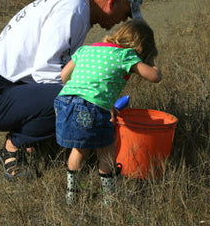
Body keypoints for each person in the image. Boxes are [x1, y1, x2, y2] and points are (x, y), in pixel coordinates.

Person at [0, 0, 146, 181]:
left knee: (78, 101)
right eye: (126, 13)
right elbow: (47, 71)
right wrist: (96, 102)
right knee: (77, 102)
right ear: (113, 2)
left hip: (9, 90)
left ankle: (33, 139)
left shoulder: (76, 4)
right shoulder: (72, 9)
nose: (123, 20)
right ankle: (13, 147)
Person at [54, 20, 162, 204]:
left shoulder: (86, 50)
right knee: (106, 150)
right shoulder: (125, 55)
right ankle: (109, 198)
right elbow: (153, 77)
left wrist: (92, 99)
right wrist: (154, 67)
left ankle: (72, 196)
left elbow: (64, 75)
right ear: (140, 46)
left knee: (79, 149)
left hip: (64, 101)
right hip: (90, 107)